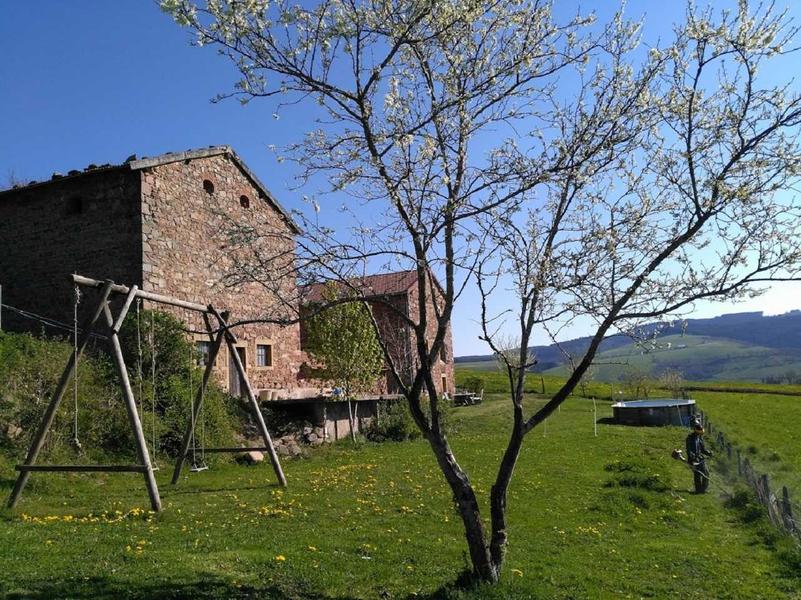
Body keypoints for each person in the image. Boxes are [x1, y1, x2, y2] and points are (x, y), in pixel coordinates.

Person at [686, 420, 713, 493]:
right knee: (698, 474)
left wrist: (709, 453)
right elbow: (689, 451)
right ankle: (698, 490)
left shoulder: (699, 438)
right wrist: (693, 457)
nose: (700, 434)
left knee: (706, 473)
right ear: (695, 431)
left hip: (700, 458)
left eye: (701, 433)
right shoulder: (690, 438)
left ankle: (703, 489)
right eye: (699, 432)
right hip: (693, 460)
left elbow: (703, 449)